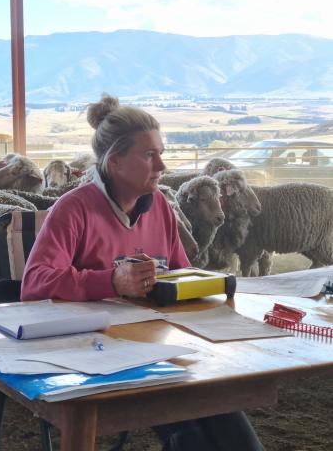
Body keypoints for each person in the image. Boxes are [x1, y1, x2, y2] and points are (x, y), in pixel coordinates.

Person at [21, 94, 263, 451]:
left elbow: (181, 272)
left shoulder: (160, 207)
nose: (161, 165)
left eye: (161, 153)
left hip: (160, 345)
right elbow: (34, 284)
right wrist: (110, 280)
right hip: (99, 356)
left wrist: (202, 286)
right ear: (115, 162)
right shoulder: (73, 209)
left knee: (225, 412)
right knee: (192, 430)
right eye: (150, 155)